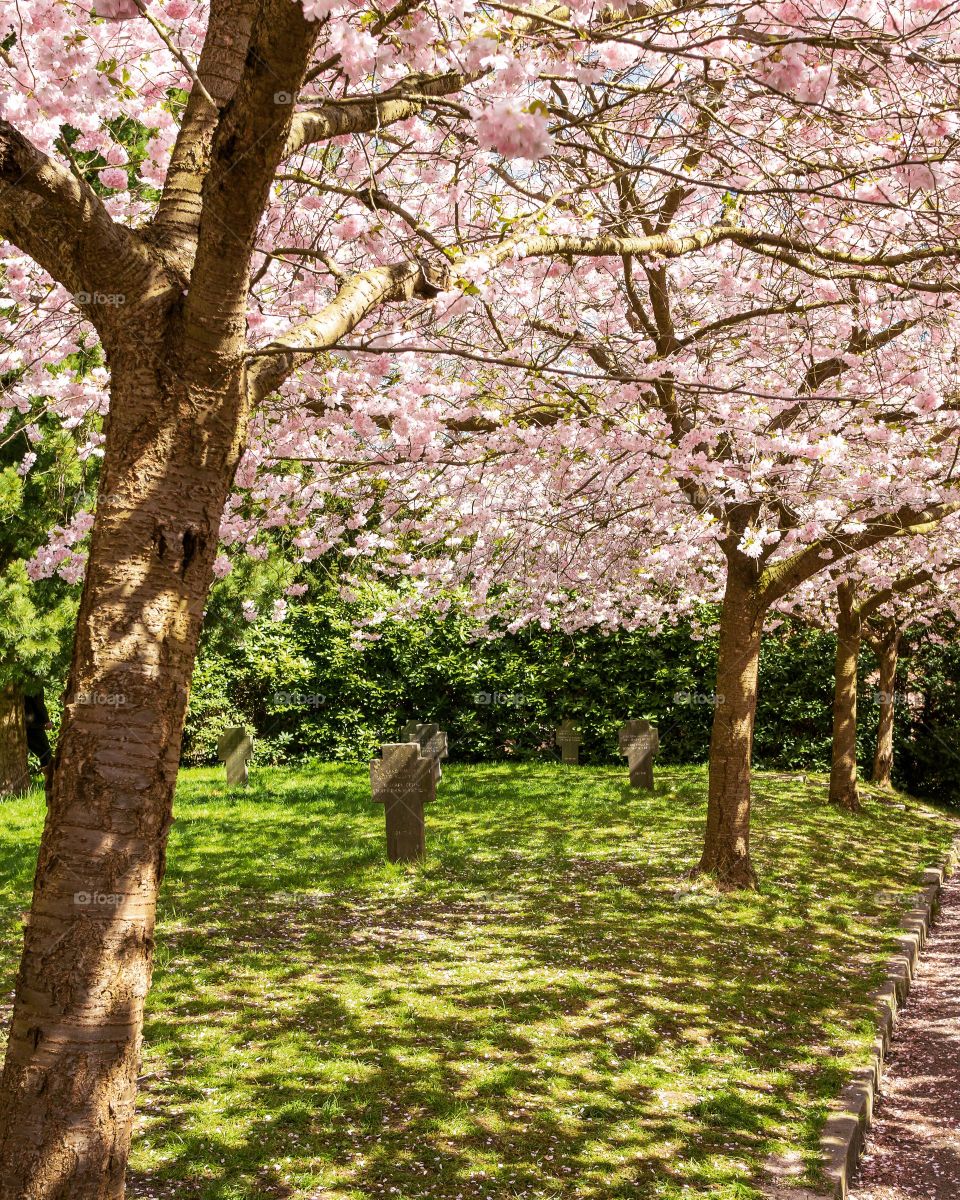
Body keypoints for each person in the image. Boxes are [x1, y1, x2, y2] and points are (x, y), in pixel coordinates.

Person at [23, 690, 53, 768]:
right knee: (46, 753)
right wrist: (46, 721)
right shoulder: (35, 680)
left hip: (26, 724)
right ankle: (50, 779)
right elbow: (38, 703)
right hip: (32, 726)